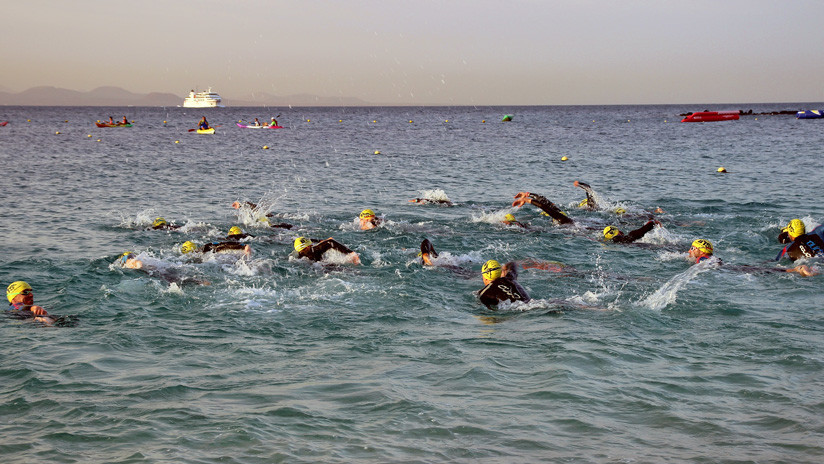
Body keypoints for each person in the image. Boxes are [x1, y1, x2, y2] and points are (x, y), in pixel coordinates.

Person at [687, 239, 815, 276]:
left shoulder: (701, 259)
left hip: (732, 270)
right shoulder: (709, 257)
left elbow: (710, 265)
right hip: (733, 267)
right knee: (762, 269)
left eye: (692, 248)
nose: (689, 251)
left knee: (763, 270)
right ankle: (794, 270)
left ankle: (797, 269)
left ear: (701, 251)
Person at [293, 236, 360, 264]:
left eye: (310, 245)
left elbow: (330, 242)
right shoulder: (296, 258)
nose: (310, 246)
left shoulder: (314, 249)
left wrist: (351, 253)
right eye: (308, 247)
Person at [180, 240, 252, 256]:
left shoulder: (204, 249)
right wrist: (243, 246)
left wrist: (243, 246)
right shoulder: (204, 248)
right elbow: (223, 244)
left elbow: (222, 245)